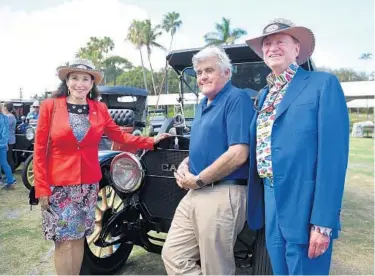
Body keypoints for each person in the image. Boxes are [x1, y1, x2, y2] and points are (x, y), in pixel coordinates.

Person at [33, 58, 170, 275]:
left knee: (78, 239)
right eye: (75, 78)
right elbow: (40, 150)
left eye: (85, 79)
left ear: (92, 83)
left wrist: (150, 141)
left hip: (88, 185)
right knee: (62, 241)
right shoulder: (50, 107)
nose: (80, 83)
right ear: (67, 81)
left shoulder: (99, 108)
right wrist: (41, 188)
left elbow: (119, 136)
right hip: (59, 187)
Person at [245, 18, 349, 275]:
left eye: (280, 41)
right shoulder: (265, 95)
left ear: (297, 49)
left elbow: (333, 160)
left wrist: (323, 223)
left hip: (305, 203)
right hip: (271, 197)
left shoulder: (322, 84)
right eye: (267, 44)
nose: (272, 47)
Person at [161, 46, 255, 275]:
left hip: (223, 193)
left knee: (216, 268)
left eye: (209, 70)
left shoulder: (237, 99)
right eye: (199, 72)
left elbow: (238, 153)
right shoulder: (203, 105)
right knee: (174, 255)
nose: (202, 77)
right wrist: (186, 163)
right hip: (195, 191)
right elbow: (204, 145)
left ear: (226, 73)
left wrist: (199, 179)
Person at [0, 108, 16, 187]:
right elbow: (5, 132)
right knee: (4, 163)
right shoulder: (5, 118)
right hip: (4, 143)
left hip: (2, 143)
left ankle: (9, 180)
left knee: (3, 163)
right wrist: (5, 143)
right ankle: (10, 180)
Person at [2, 102, 17, 171]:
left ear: (6, 108)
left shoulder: (10, 116)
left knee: (8, 157)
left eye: (3, 106)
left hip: (9, 140)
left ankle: (11, 170)